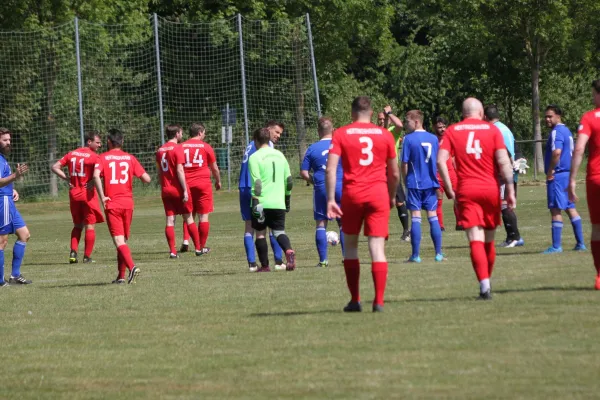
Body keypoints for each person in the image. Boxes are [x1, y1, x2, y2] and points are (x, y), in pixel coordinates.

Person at [327, 96, 400, 312]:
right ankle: (378, 301)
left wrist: (331, 199)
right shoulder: (384, 135)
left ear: (352, 113)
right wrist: (391, 195)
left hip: (352, 194)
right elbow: (394, 172)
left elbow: (330, 169)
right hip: (378, 193)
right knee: (377, 248)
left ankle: (355, 300)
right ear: (371, 113)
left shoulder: (341, 133)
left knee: (350, 247)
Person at [437, 98, 515, 300]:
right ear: (481, 112)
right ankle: (486, 282)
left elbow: (440, 160)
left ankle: (484, 285)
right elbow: (504, 161)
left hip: (467, 189)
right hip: (490, 189)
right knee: (489, 241)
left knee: (475, 239)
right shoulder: (492, 130)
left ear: (463, 113)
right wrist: (510, 189)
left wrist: (449, 187)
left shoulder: (453, 130)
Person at [93, 129, 151, 284]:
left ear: (109, 142)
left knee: (119, 242)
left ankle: (132, 267)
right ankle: (121, 276)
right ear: (122, 142)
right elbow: (147, 179)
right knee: (122, 241)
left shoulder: (103, 157)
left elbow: (95, 175)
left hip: (113, 204)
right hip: (128, 204)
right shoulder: (130, 158)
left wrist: (102, 196)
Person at [239, 120, 286, 272]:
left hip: (243, 186)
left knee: (248, 227)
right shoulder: (267, 146)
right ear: (268, 130)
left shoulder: (252, 143)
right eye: (276, 132)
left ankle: (252, 264)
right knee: (271, 226)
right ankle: (278, 261)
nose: (278, 136)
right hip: (257, 190)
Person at [51, 132, 105, 264]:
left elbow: (55, 167)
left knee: (77, 225)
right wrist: (94, 181)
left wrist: (66, 178)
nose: (100, 145)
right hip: (87, 195)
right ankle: (87, 257)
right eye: (97, 142)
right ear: (89, 142)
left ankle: (73, 253)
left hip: (74, 194)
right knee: (89, 226)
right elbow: (99, 174)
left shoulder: (72, 154)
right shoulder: (95, 157)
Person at [248, 127, 295, 272]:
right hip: (278, 202)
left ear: (256, 140)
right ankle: (288, 250)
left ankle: (265, 266)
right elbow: (289, 181)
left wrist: (256, 202)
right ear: (268, 139)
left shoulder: (254, 157)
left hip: (261, 202)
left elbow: (257, 183)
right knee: (279, 232)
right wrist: (286, 200)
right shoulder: (280, 155)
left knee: (260, 234)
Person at [401, 110, 444, 263]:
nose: (406, 125)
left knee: (416, 218)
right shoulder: (434, 139)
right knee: (433, 216)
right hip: (431, 183)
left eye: (407, 121)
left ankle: (415, 255)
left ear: (416, 121)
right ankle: (438, 253)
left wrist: (405, 180)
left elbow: (404, 164)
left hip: (414, 183)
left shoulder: (408, 139)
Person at [300, 117, 344, 268]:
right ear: (333, 130)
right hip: (340, 187)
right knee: (343, 224)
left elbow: (304, 173)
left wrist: (314, 181)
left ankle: (323, 261)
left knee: (321, 224)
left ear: (318, 131)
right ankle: (347, 258)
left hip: (321, 187)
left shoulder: (312, 148)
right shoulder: (341, 145)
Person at [569, 79, 600, 289]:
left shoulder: (590, 117)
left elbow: (579, 149)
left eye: (593, 94)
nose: (592, 97)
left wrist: (572, 178)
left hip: (596, 178)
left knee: (597, 228)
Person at [542, 105, 585, 253]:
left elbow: (557, 152)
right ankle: (581, 244)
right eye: (546, 116)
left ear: (558, 116)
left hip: (558, 175)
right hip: (566, 174)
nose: (547, 119)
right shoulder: (566, 131)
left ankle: (556, 246)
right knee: (570, 208)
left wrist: (550, 170)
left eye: (550, 116)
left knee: (555, 209)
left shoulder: (556, 132)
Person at [156, 124, 203, 258]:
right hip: (177, 188)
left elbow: (159, 172)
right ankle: (198, 249)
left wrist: (163, 186)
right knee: (188, 218)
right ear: (177, 134)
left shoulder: (160, 150)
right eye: (181, 133)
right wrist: (185, 191)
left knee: (170, 220)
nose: (182, 135)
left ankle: (172, 251)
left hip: (166, 189)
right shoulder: (177, 149)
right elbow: (180, 170)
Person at [484, 105, 524, 248]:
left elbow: (504, 151)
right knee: (505, 205)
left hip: (504, 173)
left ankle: (515, 237)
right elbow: (515, 148)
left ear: (485, 117)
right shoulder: (506, 128)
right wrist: (519, 161)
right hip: (511, 172)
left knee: (505, 205)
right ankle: (510, 237)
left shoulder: (493, 130)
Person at [179, 123, 221, 255]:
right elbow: (214, 167)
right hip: (203, 183)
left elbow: (177, 167)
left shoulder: (181, 146)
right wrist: (218, 181)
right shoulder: (206, 147)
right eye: (204, 133)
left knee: (189, 215)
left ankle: (189, 242)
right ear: (199, 132)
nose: (205, 135)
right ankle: (201, 247)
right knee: (204, 216)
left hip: (186, 184)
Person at [0, 128, 32, 286]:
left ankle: (14, 276)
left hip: (8, 200)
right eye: (5, 140)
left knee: (24, 234)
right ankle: (0, 281)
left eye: (9, 140)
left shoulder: (2, 158)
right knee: (2, 241)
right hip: (2, 203)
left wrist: (12, 189)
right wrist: (15, 176)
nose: (8, 143)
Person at [380, 106, 409, 241]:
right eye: (379, 119)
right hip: (378, 170)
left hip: (391, 169)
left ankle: (406, 231)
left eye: (383, 118)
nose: (382, 121)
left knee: (399, 201)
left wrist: (389, 113)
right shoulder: (376, 133)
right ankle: (382, 232)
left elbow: (400, 124)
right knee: (380, 202)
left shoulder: (393, 131)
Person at [433, 116, 461, 231]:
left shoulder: (450, 140)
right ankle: (440, 226)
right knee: (438, 201)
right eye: (440, 127)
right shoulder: (432, 140)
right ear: (434, 127)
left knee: (457, 198)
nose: (442, 129)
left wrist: (458, 172)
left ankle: (460, 223)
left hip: (451, 174)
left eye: (444, 126)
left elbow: (453, 157)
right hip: (437, 175)